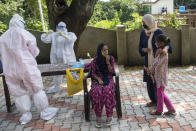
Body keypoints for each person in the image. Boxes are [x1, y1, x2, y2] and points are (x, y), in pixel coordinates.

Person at [0, 14, 58, 124]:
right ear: (21, 22)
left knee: (19, 92)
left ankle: (26, 114)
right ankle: (44, 112)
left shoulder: (2, 38)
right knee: (36, 89)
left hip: (10, 70)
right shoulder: (24, 33)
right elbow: (34, 51)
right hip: (26, 67)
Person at [139, 14, 172, 107]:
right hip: (148, 63)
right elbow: (140, 48)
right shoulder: (143, 33)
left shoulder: (158, 32)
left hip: (158, 63)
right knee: (149, 83)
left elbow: (168, 44)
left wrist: (165, 49)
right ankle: (153, 100)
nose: (143, 25)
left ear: (150, 21)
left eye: (144, 22)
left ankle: (159, 102)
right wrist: (144, 50)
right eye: (142, 23)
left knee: (157, 84)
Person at [41, 21, 77, 93]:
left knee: (72, 72)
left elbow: (72, 40)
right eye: (58, 27)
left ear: (65, 28)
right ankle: (57, 87)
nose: (59, 29)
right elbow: (45, 39)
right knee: (56, 72)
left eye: (61, 27)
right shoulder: (54, 35)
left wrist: (64, 36)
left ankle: (74, 86)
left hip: (68, 58)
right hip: (56, 58)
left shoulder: (70, 34)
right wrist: (48, 33)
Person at [90, 43, 116, 128]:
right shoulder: (95, 60)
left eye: (107, 50)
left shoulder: (111, 58)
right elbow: (93, 73)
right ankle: (98, 117)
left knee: (107, 90)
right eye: (104, 50)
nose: (106, 52)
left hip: (108, 78)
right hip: (98, 79)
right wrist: (98, 79)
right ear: (100, 51)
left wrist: (108, 63)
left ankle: (109, 116)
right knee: (97, 91)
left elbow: (112, 72)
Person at [150, 34, 176, 115]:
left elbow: (159, 64)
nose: (156, 44)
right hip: (158, 76)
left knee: (160, 93)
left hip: (161, 77)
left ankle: (159, 110)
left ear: (161, 43)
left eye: (157, 43)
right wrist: (156, 55)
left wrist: (152, 68)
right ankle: (171, 108)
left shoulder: (164, 53)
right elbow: (155, 62)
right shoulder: (160, 51)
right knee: (161, 92)